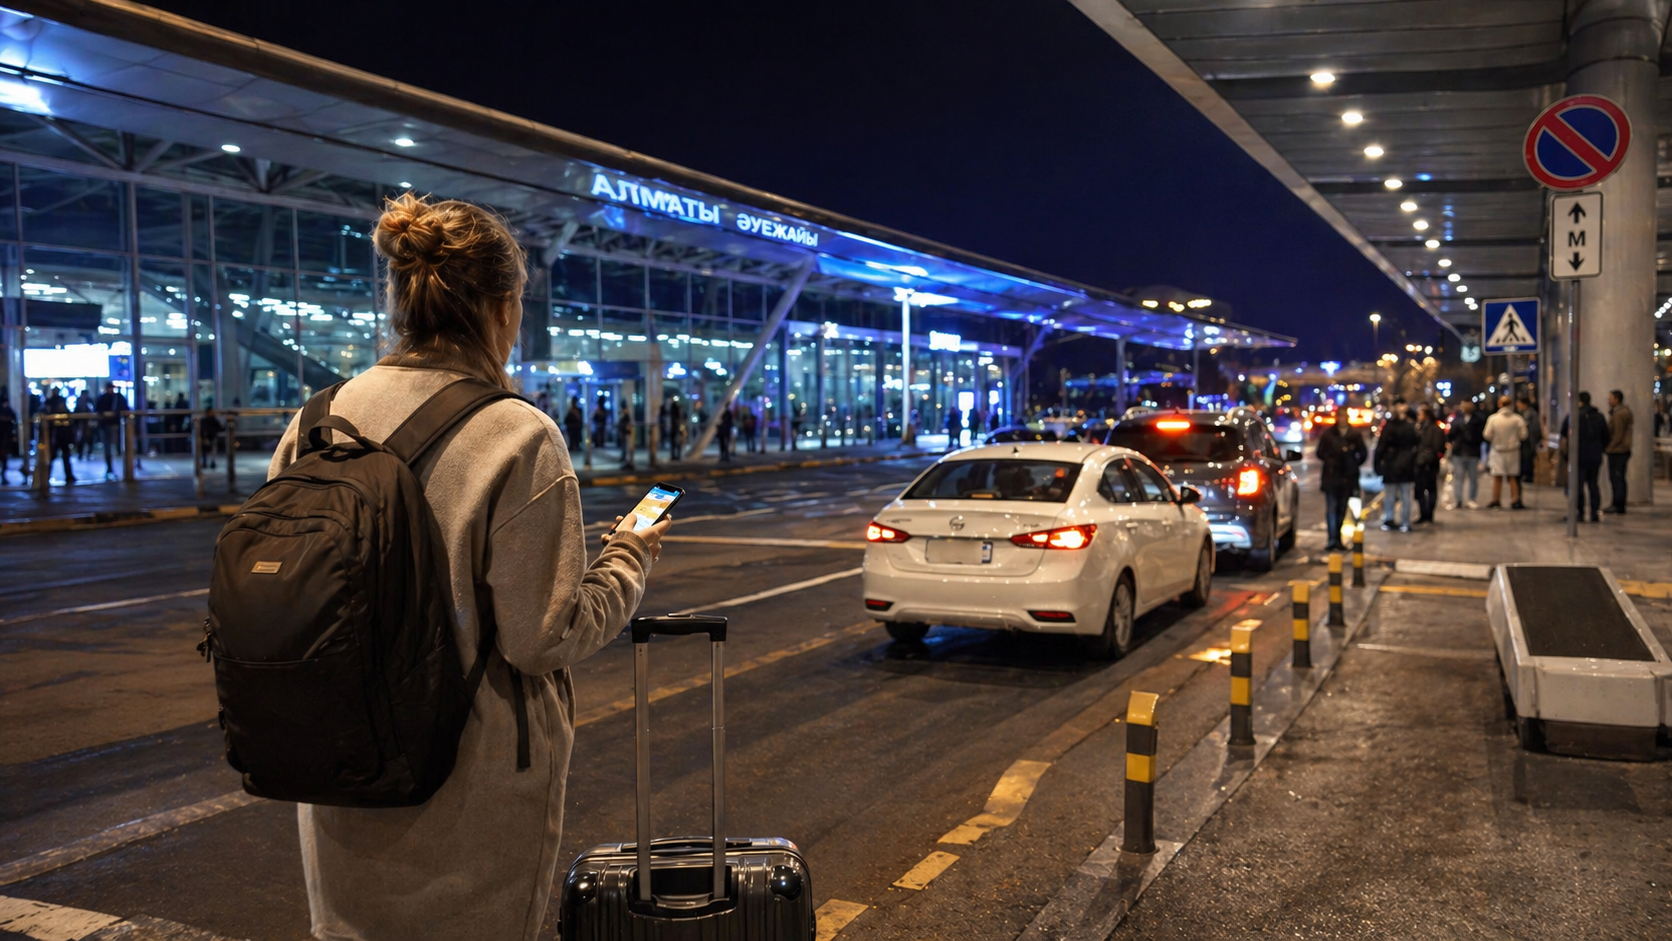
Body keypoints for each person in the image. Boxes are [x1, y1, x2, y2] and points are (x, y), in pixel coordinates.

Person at [268, 192, 667, 941]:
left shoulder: (316, 419)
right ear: (502, 307)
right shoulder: (516, 435)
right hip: (469, 796)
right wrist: (629, 560)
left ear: (401, 301)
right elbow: (542, 637)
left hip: (338, 774)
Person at [1315, 409, 1366, 550]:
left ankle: (1337, 538)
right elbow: (1320, 452)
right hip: (1331, 476)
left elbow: (1362, 453)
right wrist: (1331, 459)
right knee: (1332, 508)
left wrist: (1353, 462)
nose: (1342, 419)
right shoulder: (1328, 434)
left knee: (1342, 508)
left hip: (1347, 477)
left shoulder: (1354, 434)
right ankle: (1332, 539)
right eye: (1340, 416)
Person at [1559, 390, 1608, 522]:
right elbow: (1606, 436)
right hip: (1595, 457)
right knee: (1593, 485)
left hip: (1578, 457)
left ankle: (1580, 512)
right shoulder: (1600, 416)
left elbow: (1564, 436)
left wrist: (1566, 456)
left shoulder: (1573, 416)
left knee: (1577, 485)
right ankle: (1594, 513)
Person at [1374, 405, 1419, 532]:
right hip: (1406, 466)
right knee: (1406, 496)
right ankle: (1405, 522)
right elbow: (1416, 445)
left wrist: (1377, 464)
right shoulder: (1410, 428)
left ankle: (1389, 519)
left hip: (1390, 465)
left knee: (1390, 495)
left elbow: (1381, 447)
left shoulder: (1388, 428)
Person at [1481, 395, 1527, 509]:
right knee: (1513, 476)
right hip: (1513, 451)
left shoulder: (1493, 419)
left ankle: (1496, 499)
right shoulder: (1517, 419)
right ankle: (1515, 499)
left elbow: (1487, 434)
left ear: (1499, 404)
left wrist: (1495, 439)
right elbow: (1524, 435)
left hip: (1497, 450)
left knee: (1497, 476)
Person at [1414, 404, 1445, 524]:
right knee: (1420, 489)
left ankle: (1428, 514)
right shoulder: (1418, 428)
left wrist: (1428, 458)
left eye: (1420, 414)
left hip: (1429, 463)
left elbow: (1438, 447)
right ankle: (1424, 514)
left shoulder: (1435, 429)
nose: (1418, 416)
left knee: (1431, 488)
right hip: (1420, 463)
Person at [1603, 389, 1633, 514]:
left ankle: (1618, 504)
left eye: (1610, 398)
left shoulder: (1619, 414)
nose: (1608, 401)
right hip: (1620, 450)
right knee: (1618, 478)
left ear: (1617, 399)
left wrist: (1609, 448)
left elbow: (1617, 435)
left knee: (1617, 478)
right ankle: (1618, 503)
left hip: (1618, 451)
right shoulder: (1619, 413)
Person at [94, 382, 127, 479]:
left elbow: (98, 409)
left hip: (108, 424)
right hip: (111, 424)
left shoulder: (104, 398)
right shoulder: (116, 398)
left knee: (109, 447)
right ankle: (112, 468)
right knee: (111, 447)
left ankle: (111, 468)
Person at [43, 386, 74, 484]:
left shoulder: (55, 402)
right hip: (55, 433)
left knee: (65, 456)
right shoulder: (49, 403)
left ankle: (68, 475)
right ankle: (47, 476)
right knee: (52, 456)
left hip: (61, 433)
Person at [1516, 397, 1542, 484]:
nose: (1518, 405)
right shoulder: (1527, 414)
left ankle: (1528, 476)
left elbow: (1535, 430)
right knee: (1526, 459)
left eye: (1519, 403)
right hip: (1528, 441)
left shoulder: (1530, 414)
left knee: (1527, 459)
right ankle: (1527, 475)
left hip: (1529, 441)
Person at [0, 392, 16, 484]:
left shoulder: (7, 409)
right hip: (4, 437)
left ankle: (3, 476)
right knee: (3, 457)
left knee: (3, 456)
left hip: (4, 437)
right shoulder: (6, 409)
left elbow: (13, 417)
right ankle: (3, 476)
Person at [619, 405, 635, 470]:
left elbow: (628, 427)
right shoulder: (623, 416)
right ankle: (626, 460)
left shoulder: (627, 417)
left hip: (627, 435)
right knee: (625, 448)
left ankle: (629, 463)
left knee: (628, 448)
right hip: (625, 434)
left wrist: (626, 433)